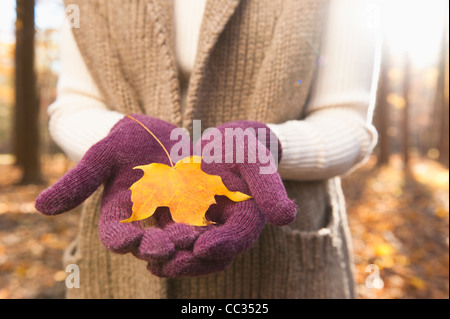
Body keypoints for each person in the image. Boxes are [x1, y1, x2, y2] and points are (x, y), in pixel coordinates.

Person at [36, 0, 380, 299]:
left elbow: (348, 123)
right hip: (115, 273)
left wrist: (270, 146)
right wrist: (121, 138)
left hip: (283, 268)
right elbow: (73, 107)